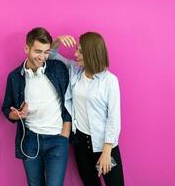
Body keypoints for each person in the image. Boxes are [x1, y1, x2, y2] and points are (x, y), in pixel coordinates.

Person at [50, 32, 125, 186]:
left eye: (81, 51)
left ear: (92, 53)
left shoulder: (110, 81)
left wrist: (106, 152)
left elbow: (113, 118)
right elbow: (51, 55)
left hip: (104, 145)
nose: (76, 54)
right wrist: (57, 41)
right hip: (81, 145)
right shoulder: (75, 71)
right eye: (77, 49)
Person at [2, 27, 71, 186]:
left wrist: (64, 135)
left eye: (46, 52)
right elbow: (6, 109)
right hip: (30, 140)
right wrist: (16, 114)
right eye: (38, 51)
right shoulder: (15, 77)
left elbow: (69, 101)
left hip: (57, 140)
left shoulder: (58, 68)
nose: (42, 57)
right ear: (27, 48)